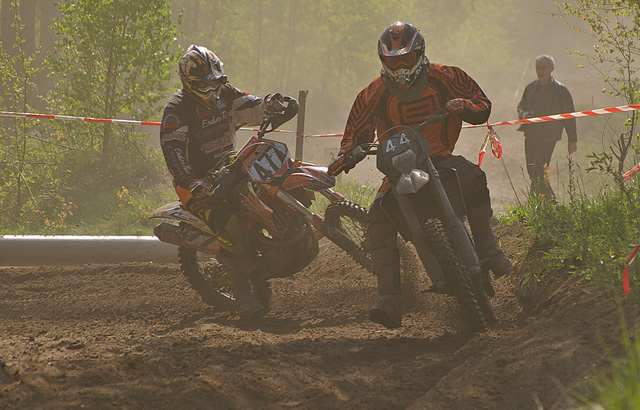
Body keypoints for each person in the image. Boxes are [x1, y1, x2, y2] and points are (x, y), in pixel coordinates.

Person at [327, 21, 513, 329]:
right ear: (382, 61)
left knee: (473, 178)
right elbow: (354, 132)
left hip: (438, 157)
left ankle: (488, 246)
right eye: (393, 61)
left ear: (419, 53)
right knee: (378, 223)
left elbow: (481, 105)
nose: (400, 67)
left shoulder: (445, 76)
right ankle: (389, 297)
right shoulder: (372, 93)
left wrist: (462, 105)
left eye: (406, 59)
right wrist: (346, 154)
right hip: (396, 170)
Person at [160, 45, 285, 316]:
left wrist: (270, 104)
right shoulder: (177, 109)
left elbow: (252, 107)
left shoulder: (225, 94)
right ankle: (242, 294)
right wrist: (191, 181)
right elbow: (173, 151)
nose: (211, 89)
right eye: (204, 85)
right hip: (195, 183)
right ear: (189, 82)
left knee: (271, 185)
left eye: (215, 82)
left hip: (231, 166)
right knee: (229, 224)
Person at [517, 55, 577, 200]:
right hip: (531, 134)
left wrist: (572, 140)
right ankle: (544, 202)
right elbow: (521, 106)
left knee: (539, 168)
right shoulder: (530, 87)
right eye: (538, 67)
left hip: (549, 135)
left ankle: (543, 202)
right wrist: (523, 114)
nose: (540, 71)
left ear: (551, 69)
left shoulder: (561, 90)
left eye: (544, 68)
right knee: (532, 170)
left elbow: (569, 116)